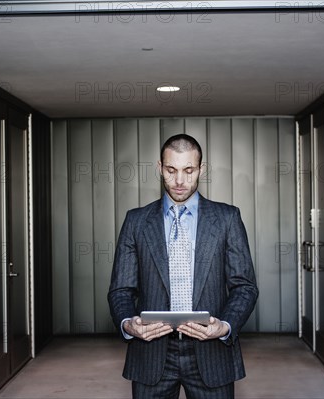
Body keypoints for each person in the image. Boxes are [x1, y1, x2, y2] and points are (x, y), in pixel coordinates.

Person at [107, 133, 259, 398]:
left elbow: (244, 286)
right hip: (151, 353)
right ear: (160, 168)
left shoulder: (227, 218)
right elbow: (121, 288)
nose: (179, 181)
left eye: (189, 170)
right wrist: (127, 324)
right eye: (171, 170)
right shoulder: (136, 221)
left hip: (212, 352)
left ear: (202, 169)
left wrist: (225, 326)